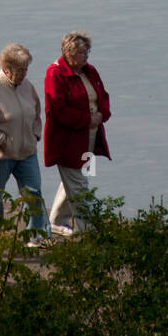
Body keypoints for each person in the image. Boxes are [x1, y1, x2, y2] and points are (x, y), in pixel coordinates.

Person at [0, 43, 50, 243]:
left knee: (33, 192)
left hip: (26, 152)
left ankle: (37, 234)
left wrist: (35, 134)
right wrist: (1, 141)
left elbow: (36, 112)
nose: (23, 74)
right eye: (19, 70)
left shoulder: (27, 86)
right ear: (6, 69)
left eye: (26, 69)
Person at [44, 31, 111, 236]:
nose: (86, 56)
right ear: (69, 53)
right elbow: (58, 109)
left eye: (87, 51)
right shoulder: (55, 74)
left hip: (89, 137)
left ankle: (56, 220)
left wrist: (102, 114)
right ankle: (88, 229)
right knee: (79, 184)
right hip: (67, 141)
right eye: (82, 52)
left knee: (74, 179)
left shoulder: (90, 71)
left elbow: (103, 96)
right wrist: (85, 120)